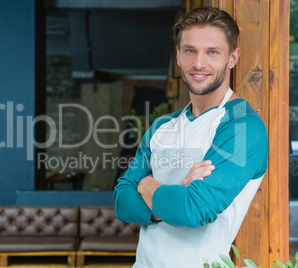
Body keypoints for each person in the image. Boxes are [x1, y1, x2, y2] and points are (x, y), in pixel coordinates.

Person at [114, 6, 268, 268]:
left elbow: (193, 210)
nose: (199, 63)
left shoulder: (242, 126)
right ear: (178, 56)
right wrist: (175, 197)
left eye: (212, 52)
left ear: (232, 57)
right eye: (190, 51)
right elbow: (121, 201)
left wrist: (147, 185)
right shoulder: (163, 125)